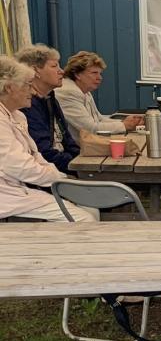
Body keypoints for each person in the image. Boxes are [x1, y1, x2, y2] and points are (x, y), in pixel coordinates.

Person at [0, 56, 96, 222]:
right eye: (27, 85)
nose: (32, 91)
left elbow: (35, 155)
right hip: (8, 197)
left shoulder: (17, 116)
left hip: (22, 189)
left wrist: (58, 177)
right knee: (84, 220)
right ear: (9, 88)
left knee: (91, 206)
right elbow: (19, 166)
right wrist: (59, 179)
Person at [15, 44, 81, 173]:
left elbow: (67, 139)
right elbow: (44, 152)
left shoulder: (50, 97)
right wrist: (78, 166)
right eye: (54, 66)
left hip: (65, 165)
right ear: (36, 71)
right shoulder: (27, 106)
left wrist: (81, 160)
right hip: (52, 172)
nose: (61, 71)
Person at [55, 51, 143, 142]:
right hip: (77, 151)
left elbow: (98, 119)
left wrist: (126, 123)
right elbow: (90, 128)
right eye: (94, 73)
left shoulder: (84, 90)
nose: (99, 77)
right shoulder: (68, 92)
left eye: (100, 73)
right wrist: (124, 125)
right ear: (77, 74)